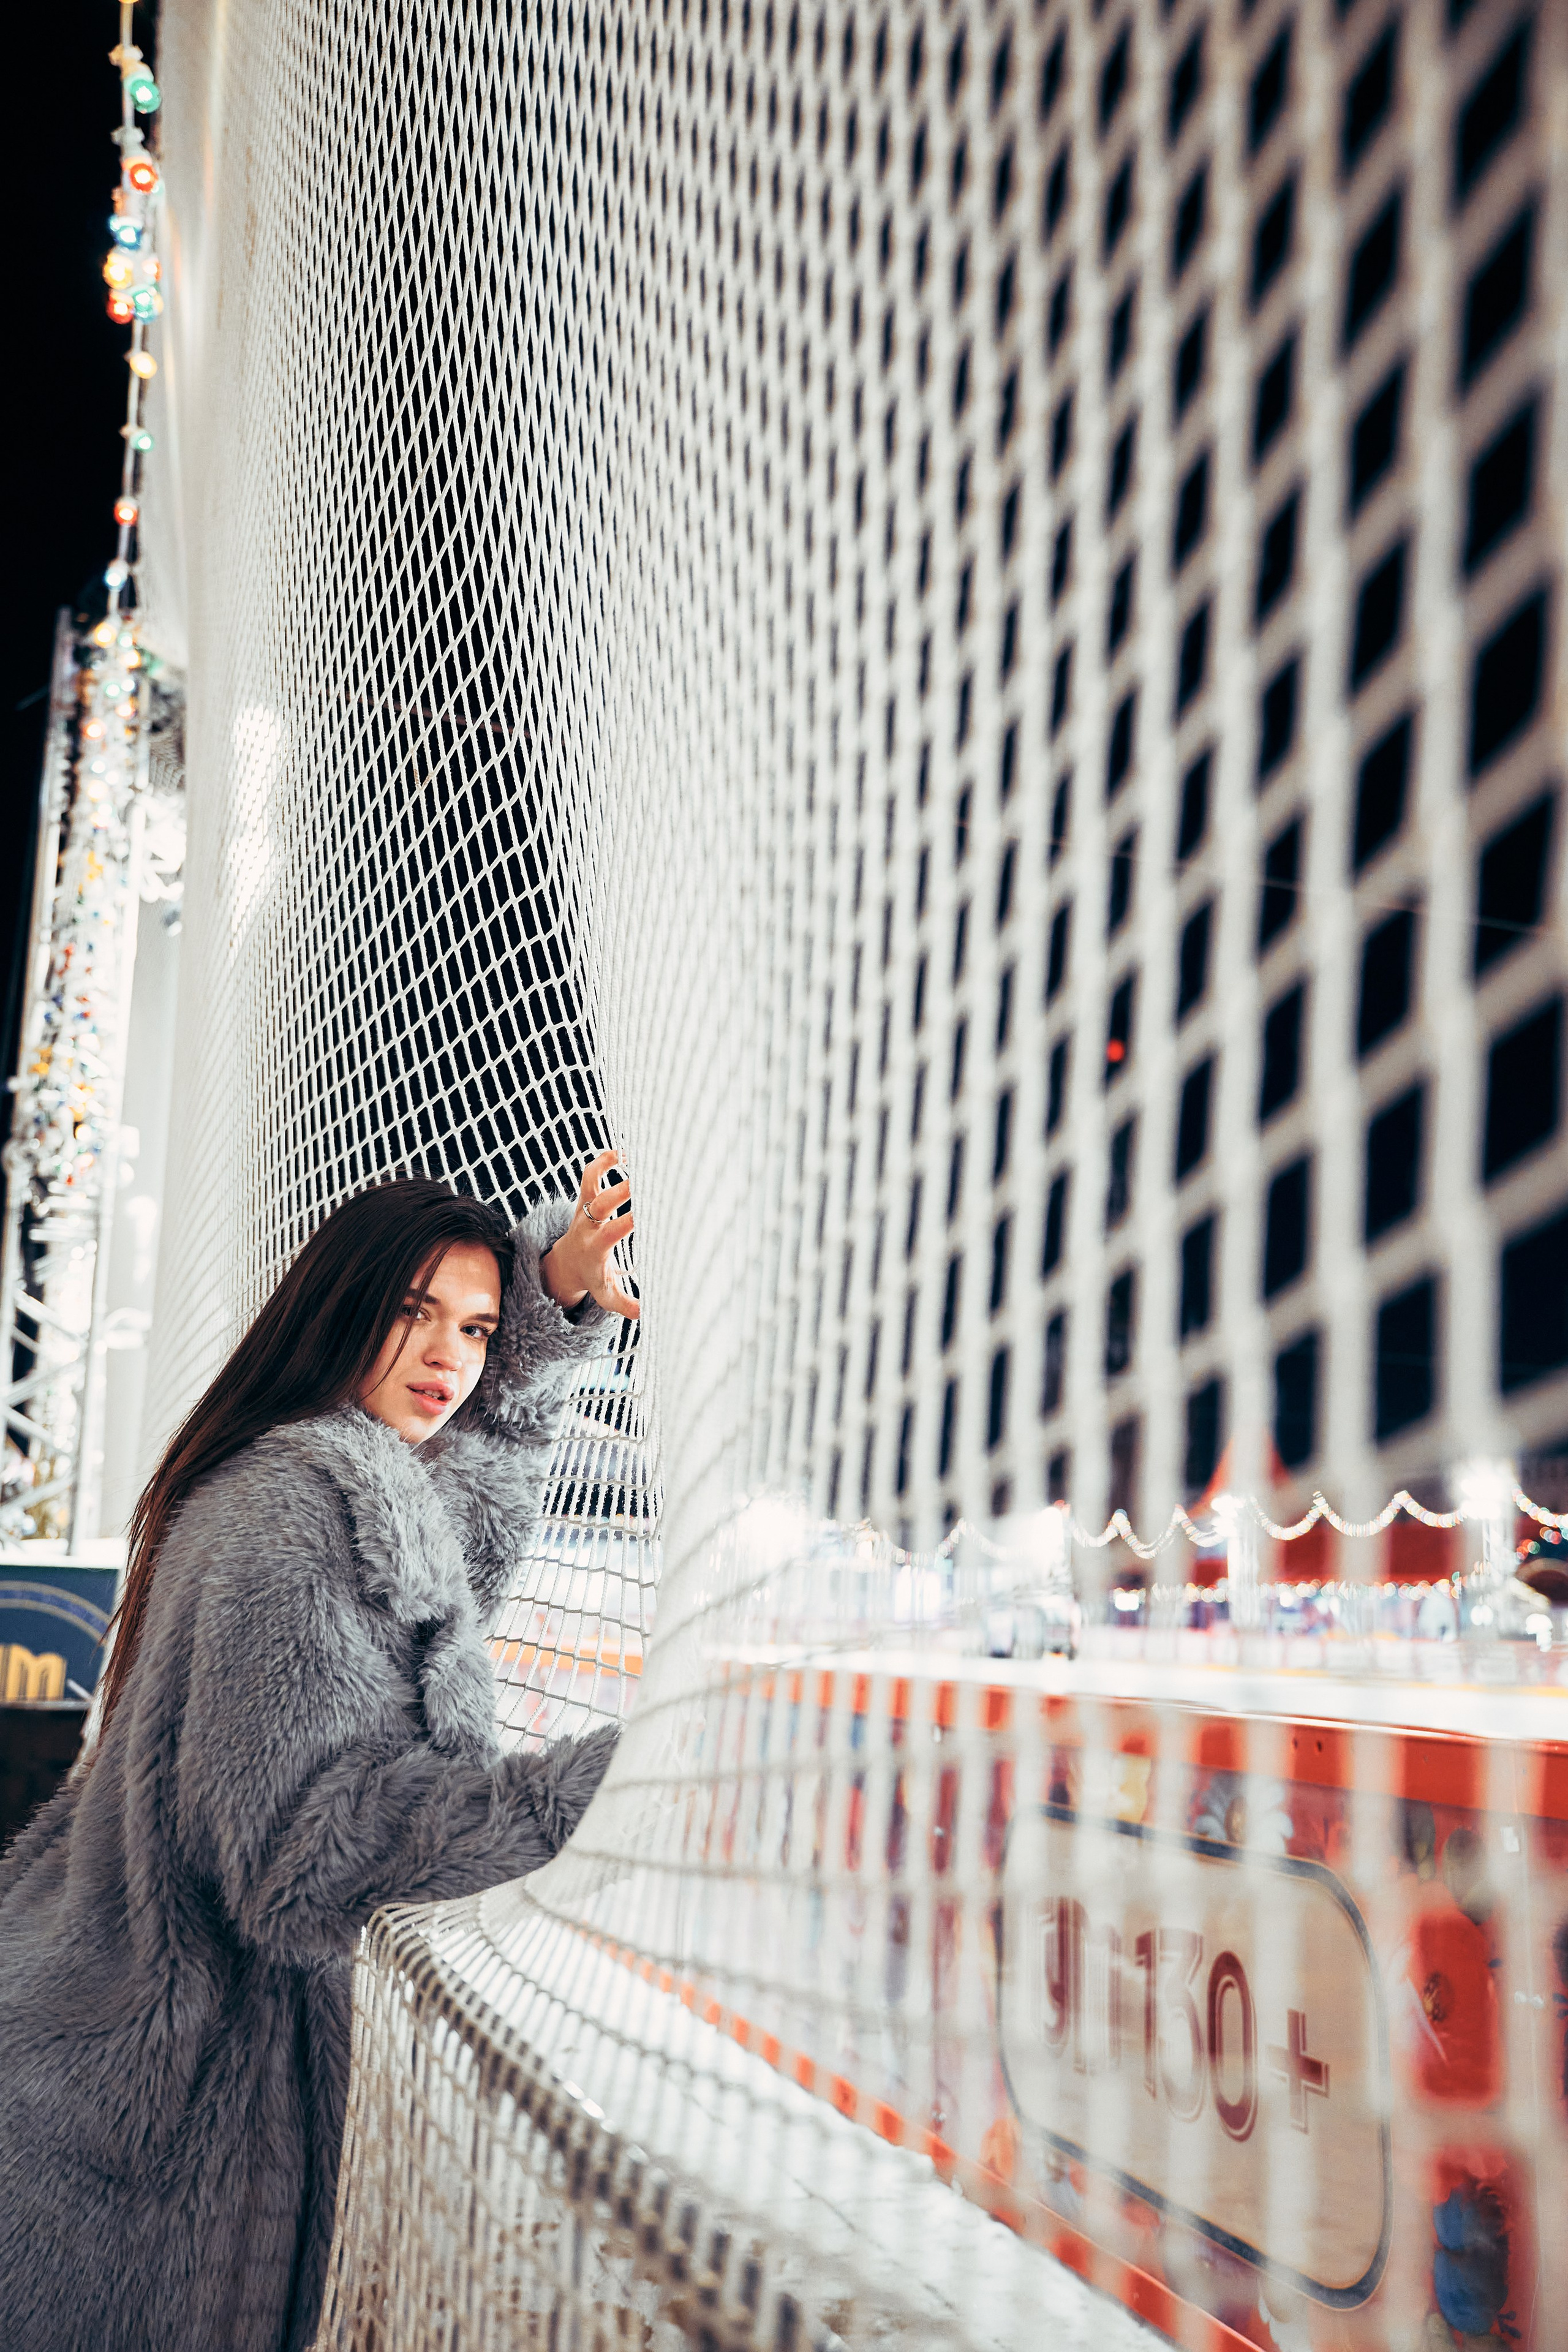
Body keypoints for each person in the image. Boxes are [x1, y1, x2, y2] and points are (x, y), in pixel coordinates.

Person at [0, 1152, 638, 2352]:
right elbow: (304, 1852)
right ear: (338, 1306)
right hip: (140, 2138)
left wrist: (549, 1311)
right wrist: (603, 1787)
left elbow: (440, 1573)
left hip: (103, 2066)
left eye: (477, 1327)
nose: (449, 1356)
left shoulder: (301, 1475)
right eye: (411, 1314)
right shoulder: (297, 1512)